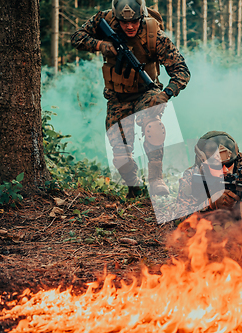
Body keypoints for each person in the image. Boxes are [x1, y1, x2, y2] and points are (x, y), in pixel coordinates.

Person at [71, 0, 190, 198]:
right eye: (124, 23)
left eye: (134, 22)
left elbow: (181, 70)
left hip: (147, 92)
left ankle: (156, 179)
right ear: (116, 19)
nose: (129, 26)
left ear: (141, 17)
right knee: (120, 155)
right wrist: (100, 44)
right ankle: (134, 187)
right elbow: (77, 38)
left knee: (153, 125)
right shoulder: (104, 20)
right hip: (117, 97)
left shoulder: (154, 36)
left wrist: (166, 93)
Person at [176, 131, 242, 224]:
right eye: (218, 166)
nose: (225, 170)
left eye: (229, 164)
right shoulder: (192, 177)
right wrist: (210, 205)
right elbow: (179, 219)